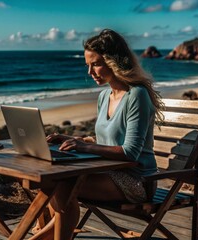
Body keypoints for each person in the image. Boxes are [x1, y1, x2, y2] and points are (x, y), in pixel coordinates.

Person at [29, 28, 164, 240]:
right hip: (107, 171)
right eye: (88, 65)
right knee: (49, 181)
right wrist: (74, 140)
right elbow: (103, 141)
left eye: (96, 64)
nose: (90, 72)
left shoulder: (136, 95)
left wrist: (83, 147)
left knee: (64, 188)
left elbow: (130, 153)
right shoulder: (104, 96)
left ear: (114, 61)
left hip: (137, 181)